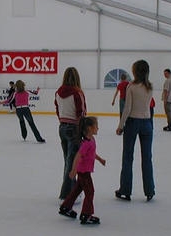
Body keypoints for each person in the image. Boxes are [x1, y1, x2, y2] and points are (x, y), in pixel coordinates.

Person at [115, 59, 155, 202]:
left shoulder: (131, 87)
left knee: (127, 157)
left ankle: (125, 190)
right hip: (147, 123)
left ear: (135, 71)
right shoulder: (150, 87)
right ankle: (150, 190)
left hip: (132, 122)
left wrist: (120, 126)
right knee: (147, 158)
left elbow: (127, 108)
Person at [58, 116, 106, 225]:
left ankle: (65, 207)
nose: (98, 128)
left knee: (77, 190)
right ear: (89, 128)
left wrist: (100, 159)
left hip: (85, 171)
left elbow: (92, 153)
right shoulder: (86, 143)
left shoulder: (91, 140)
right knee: (90, 191)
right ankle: (86, 214)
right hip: (83, 172)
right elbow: (78, 156)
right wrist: (74, 170)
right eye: (96, 126)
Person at [55, 66, 87, 200]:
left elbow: (57, 110)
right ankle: (67, 195)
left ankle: (72, 190)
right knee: (72, 163)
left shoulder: (58, 92)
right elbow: (82, 113)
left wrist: (63, 122)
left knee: (68, 161)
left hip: (62, 128)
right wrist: (83, 130)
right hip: (74, 129)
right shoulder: (77, 92)